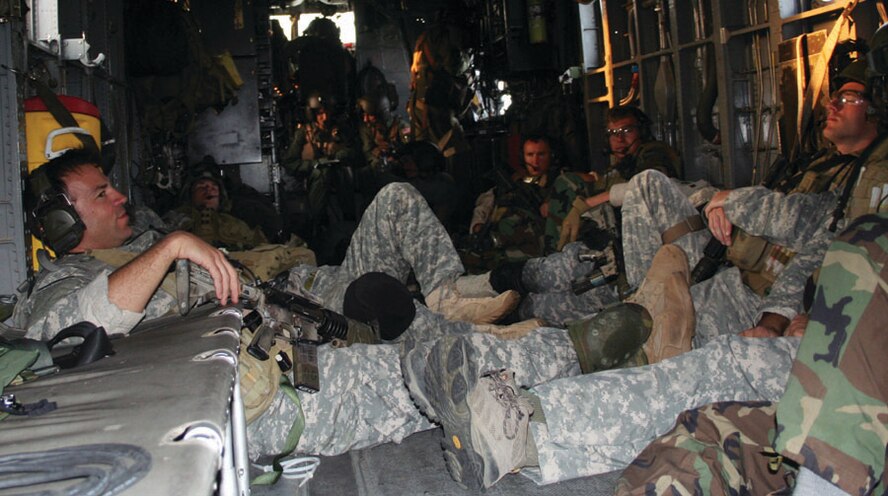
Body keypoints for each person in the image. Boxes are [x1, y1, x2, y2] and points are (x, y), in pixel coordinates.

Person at [399, 56, 888, 489]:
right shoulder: (829, 167)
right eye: (836, 95)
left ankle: (523, 426)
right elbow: (824, 234)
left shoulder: (872, 180)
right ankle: (480, 357)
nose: (833, 105)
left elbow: (830, 244)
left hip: (797, 316)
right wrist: (721, 204)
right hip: (747, 283)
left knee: (704, 362)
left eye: (848, 98)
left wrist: (783, 315)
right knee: (628, 325)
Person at [13, 149, 539, 460]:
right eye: (101, 194)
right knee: (429, 368)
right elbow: (65, 328)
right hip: (283, 341)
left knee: (396, 199)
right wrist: (171, 246)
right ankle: (521, 349)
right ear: (64, 221)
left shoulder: (139, 240)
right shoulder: (66, 278)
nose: (120, 197)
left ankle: (450, 299)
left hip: (304, 294)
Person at [552, 105, 682, 251]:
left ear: (642, 132)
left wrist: (585, 204)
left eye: (627, 131)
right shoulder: (618, 169)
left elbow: (650, 183)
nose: (619, 139)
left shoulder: (654, 152)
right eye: (613, 133)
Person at [463, 135, 561, 269]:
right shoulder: (513, 182)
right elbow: (484, 205)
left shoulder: (558, 181)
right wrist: (478, 225)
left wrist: (552, 202)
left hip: (537, 244)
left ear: (551, 156)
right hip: (500, 241)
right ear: (522, 157)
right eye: (530, 155)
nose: (535, 161)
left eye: (541, 154)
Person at [407, 7, 473, 158]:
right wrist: (469, 58)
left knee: (424, 154)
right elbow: (454, 66)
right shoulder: (445, 36)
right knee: (456, 150)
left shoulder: (423, 38)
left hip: (420, 103)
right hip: (436, 105)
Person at [164, 169, 268, 251]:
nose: (208, 190)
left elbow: (262, 248)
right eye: (201, 186)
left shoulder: (234, 224)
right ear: (191, 194)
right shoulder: (175, 218)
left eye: (214, 187)